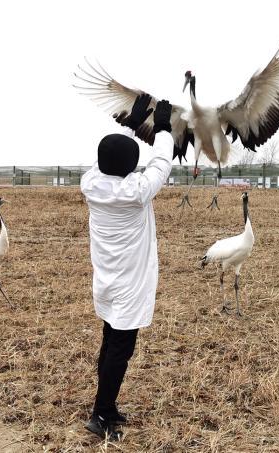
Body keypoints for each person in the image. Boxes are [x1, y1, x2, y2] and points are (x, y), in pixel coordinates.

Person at [80, 93, 174, 441]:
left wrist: (135, 124)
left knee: (111, 338)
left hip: (107, 278)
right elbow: (161, 163)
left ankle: (106, 403)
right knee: (121, 348)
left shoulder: (91, 183)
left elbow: (112, 154)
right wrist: (162, 128)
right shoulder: (135, 191)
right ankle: (101, 414)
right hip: (131, 283)